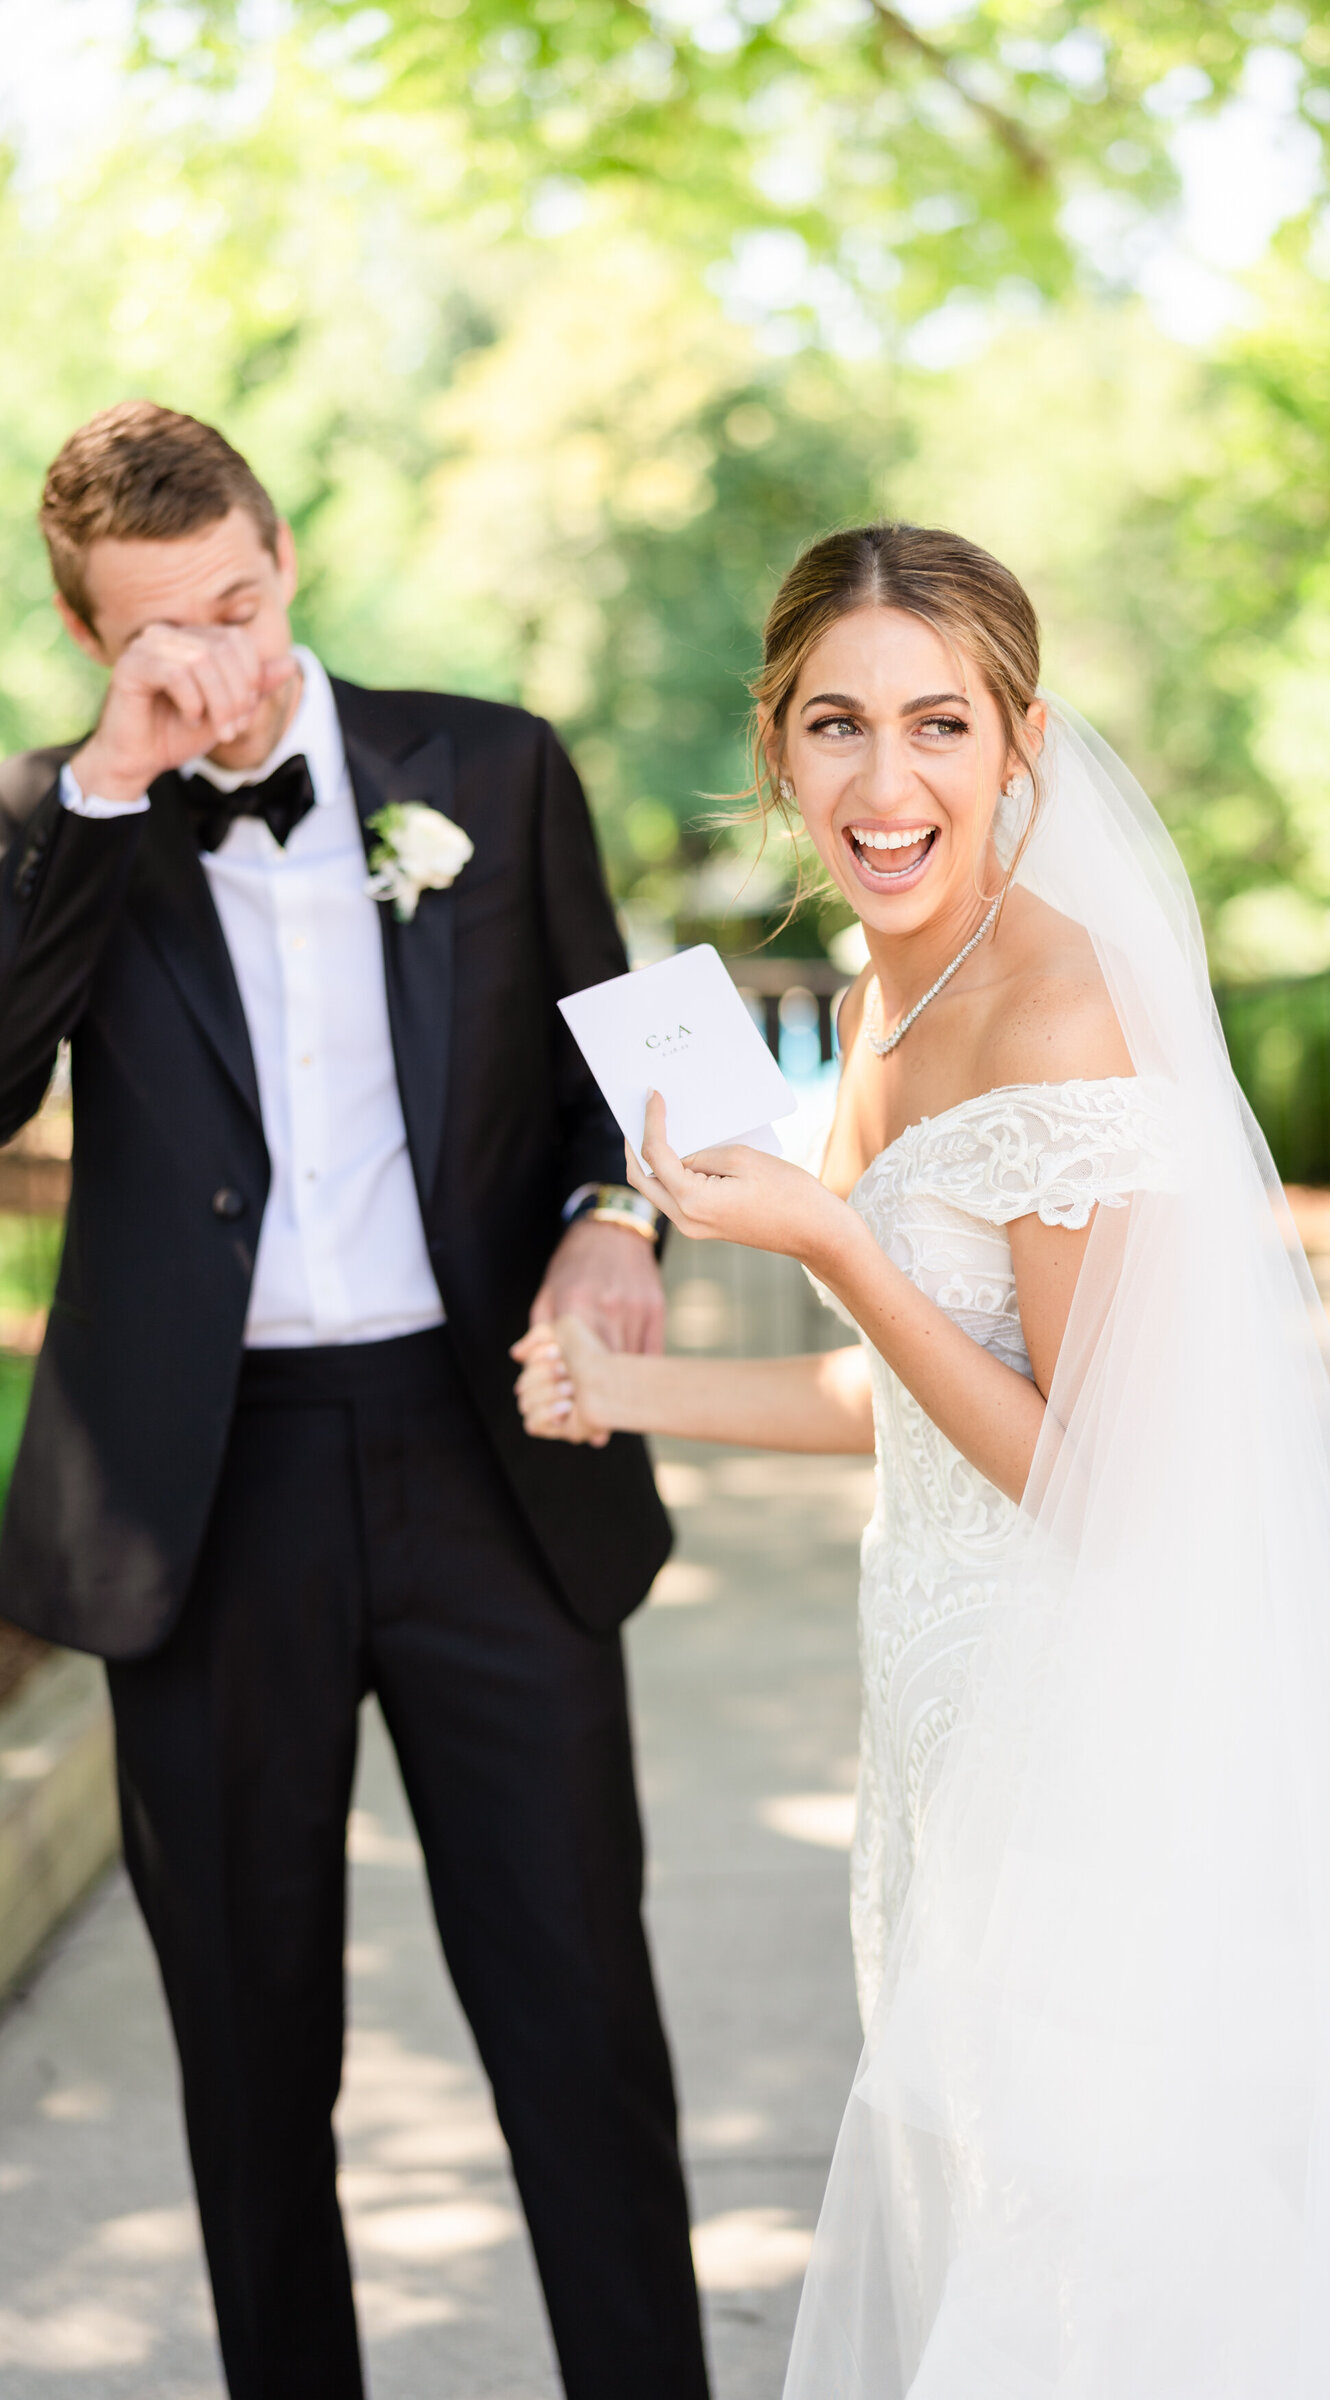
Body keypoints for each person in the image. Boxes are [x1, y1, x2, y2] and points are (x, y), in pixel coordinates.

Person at [518, 523, 1330, 2397]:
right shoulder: (880, 1002)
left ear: (1019, 747)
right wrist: (623, 1393)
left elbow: (1089, 1472)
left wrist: (835, 1239)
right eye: (838, 725)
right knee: (1005, 2196)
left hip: (1101, 1718)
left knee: (1092, 2244)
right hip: (942, 1701)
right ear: (776, 747)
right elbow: (895, 1402)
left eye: (941, 725)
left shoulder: (1058, 1004)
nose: (887, 780)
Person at [0, 402, 708, 2400]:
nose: (216, 664)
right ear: (95, 645)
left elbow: (631, 1057)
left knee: (579, 2024)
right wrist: (112, 789)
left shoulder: (488, 763)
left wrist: (612, 1218)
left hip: (491, 1461)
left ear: (287, 552)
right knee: (248, 2061)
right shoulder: (52, 823)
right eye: (162, 640)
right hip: (200, 1511)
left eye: (238, 602)